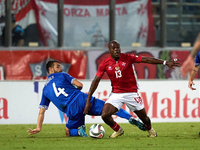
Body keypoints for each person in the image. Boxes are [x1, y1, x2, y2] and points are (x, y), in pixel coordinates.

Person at [84, 40, 180, 138]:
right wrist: (88, 100)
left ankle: (150, 129)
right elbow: (96, 81)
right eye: (114, 48)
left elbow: (147, 60)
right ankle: (118, 130)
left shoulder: (127, 58)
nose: (117, 50)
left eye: (118, 48)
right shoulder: (105, 63)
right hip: (116, 94)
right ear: (109, 50)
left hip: (131, 93)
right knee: (104, 115)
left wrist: (165, 62)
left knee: (144, 118)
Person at [27, 60, 147, 137]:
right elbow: (80, 85)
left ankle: (80, 132)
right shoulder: (63, 75)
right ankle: (130, 118)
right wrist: (74, 90)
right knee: (110, 108)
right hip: (83, 99)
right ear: (51, 70)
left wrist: (38, 127)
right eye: (58, 66)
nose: (61, 68)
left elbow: (42, 111)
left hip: (71, 110)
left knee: (68, 132)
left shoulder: (45, 90)